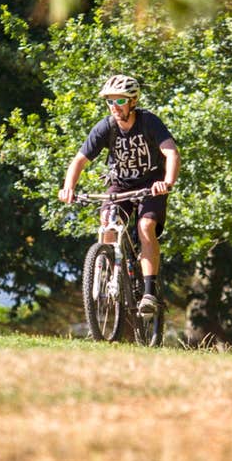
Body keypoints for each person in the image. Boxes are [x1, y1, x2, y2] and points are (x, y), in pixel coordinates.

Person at [58, 74, 180, 316]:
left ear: (133, 102)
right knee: (108, 224)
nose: (114, 107)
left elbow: (172, 153)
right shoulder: (106, 127)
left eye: (120, 101)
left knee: (146, 227)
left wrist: (167, 182)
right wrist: (68, 186)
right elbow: (79, 160)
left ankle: (148, 292)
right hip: (121, 185)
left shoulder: (149, 122)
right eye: (110, 101)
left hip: (151, 184)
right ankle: (108, 269)